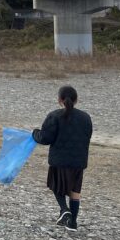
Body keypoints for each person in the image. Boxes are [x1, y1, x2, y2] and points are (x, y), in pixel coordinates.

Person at [32, 85, 92, 231]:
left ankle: (64, 210)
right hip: (79, 161)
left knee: (56, 185)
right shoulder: (85, 117)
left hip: (59, 160)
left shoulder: (54, 116)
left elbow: (45, 138)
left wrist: (35, 133)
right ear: (76, 99)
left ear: (59, 100)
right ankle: (73, 223)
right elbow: (87, 136)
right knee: (75, 192)